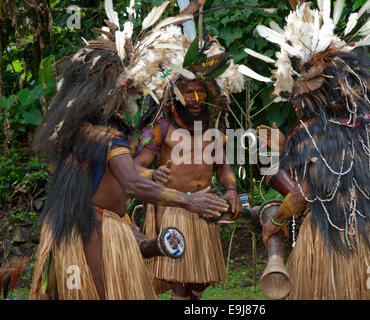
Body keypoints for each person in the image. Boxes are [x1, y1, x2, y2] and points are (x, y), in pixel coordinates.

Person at [29, 0, 228, 300]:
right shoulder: (105, 135)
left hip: (95, 224)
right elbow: (131, 182)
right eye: (134, 83)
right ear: (113, 87)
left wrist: (148, 173)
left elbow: (126, 173)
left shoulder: (92, 128)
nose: (141, 89)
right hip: (92, 228)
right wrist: (189, 201)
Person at [242, 1, 370, 299]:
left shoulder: (309, 131)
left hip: (335, 233)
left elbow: (303, 194)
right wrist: (285, 148)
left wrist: (276, 219)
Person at [134, 29, 245, 300]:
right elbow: (134, 168)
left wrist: (231, 189)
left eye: (199, 92)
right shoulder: (158, 128)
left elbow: (223, 168)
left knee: (200, 281)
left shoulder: (214, 129)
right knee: (181, 281)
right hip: (173, 207)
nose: (195, 99)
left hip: (205, 210)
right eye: (188, 92)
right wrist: (153, 172)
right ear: (175, 95)